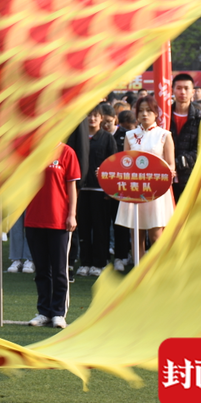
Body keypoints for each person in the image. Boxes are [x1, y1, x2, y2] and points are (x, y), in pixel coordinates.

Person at [24, 142, 81, 328]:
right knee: (41, 270)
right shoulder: (31, 150)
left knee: (59, 269)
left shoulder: (67, 152)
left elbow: (72, 186)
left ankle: (58, 312)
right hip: (34, 218)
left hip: (59, 219)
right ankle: (43, 311)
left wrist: (72, 214)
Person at [114, 96, 175, 259]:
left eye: (149, 110)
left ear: (156, 113)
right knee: (136, 235)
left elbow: (171, 164)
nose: (144, 114)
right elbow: (124, 162)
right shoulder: (130, 135)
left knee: (156, 235)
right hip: (134, 190)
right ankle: (139, 274)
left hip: (157, 191)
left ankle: (159, 271)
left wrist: (169, 171)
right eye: (141, 111)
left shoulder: (164, 135)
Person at [76, 103, 118, 277]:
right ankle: (85, 262)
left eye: (96, 115)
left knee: (101, 228)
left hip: (101, 191)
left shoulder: (108, 138)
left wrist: (110, 189)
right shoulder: (78, 138)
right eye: (89, 115)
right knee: (83, 228)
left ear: (102, 118)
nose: (92, 119)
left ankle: (100, 262)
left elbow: (115, 163)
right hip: (81, 189)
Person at [167, 74, 201, 204]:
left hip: (189, 176)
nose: (182, 92)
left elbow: (200, 149)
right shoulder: (164, 116)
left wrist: (177, 163)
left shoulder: (200, 118)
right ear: (172, 90)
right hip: (165, 176)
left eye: (186, 88)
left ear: (193, 91)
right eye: (179, 88)